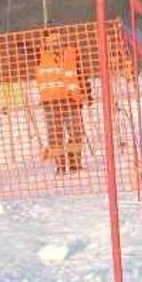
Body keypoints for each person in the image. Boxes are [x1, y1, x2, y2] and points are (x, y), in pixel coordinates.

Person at [36, 29, 91, 174]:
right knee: (55, 136)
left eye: (59, 41)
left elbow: (81, 75)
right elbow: (23, 48)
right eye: (52, 42)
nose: (56, 45)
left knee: (77, 133)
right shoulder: (39, 55)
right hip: (51, 104)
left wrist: (87, 94)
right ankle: (60, 167)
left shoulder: (72, 54)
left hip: (71, 102)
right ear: (46, 44)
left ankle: (74, 165)